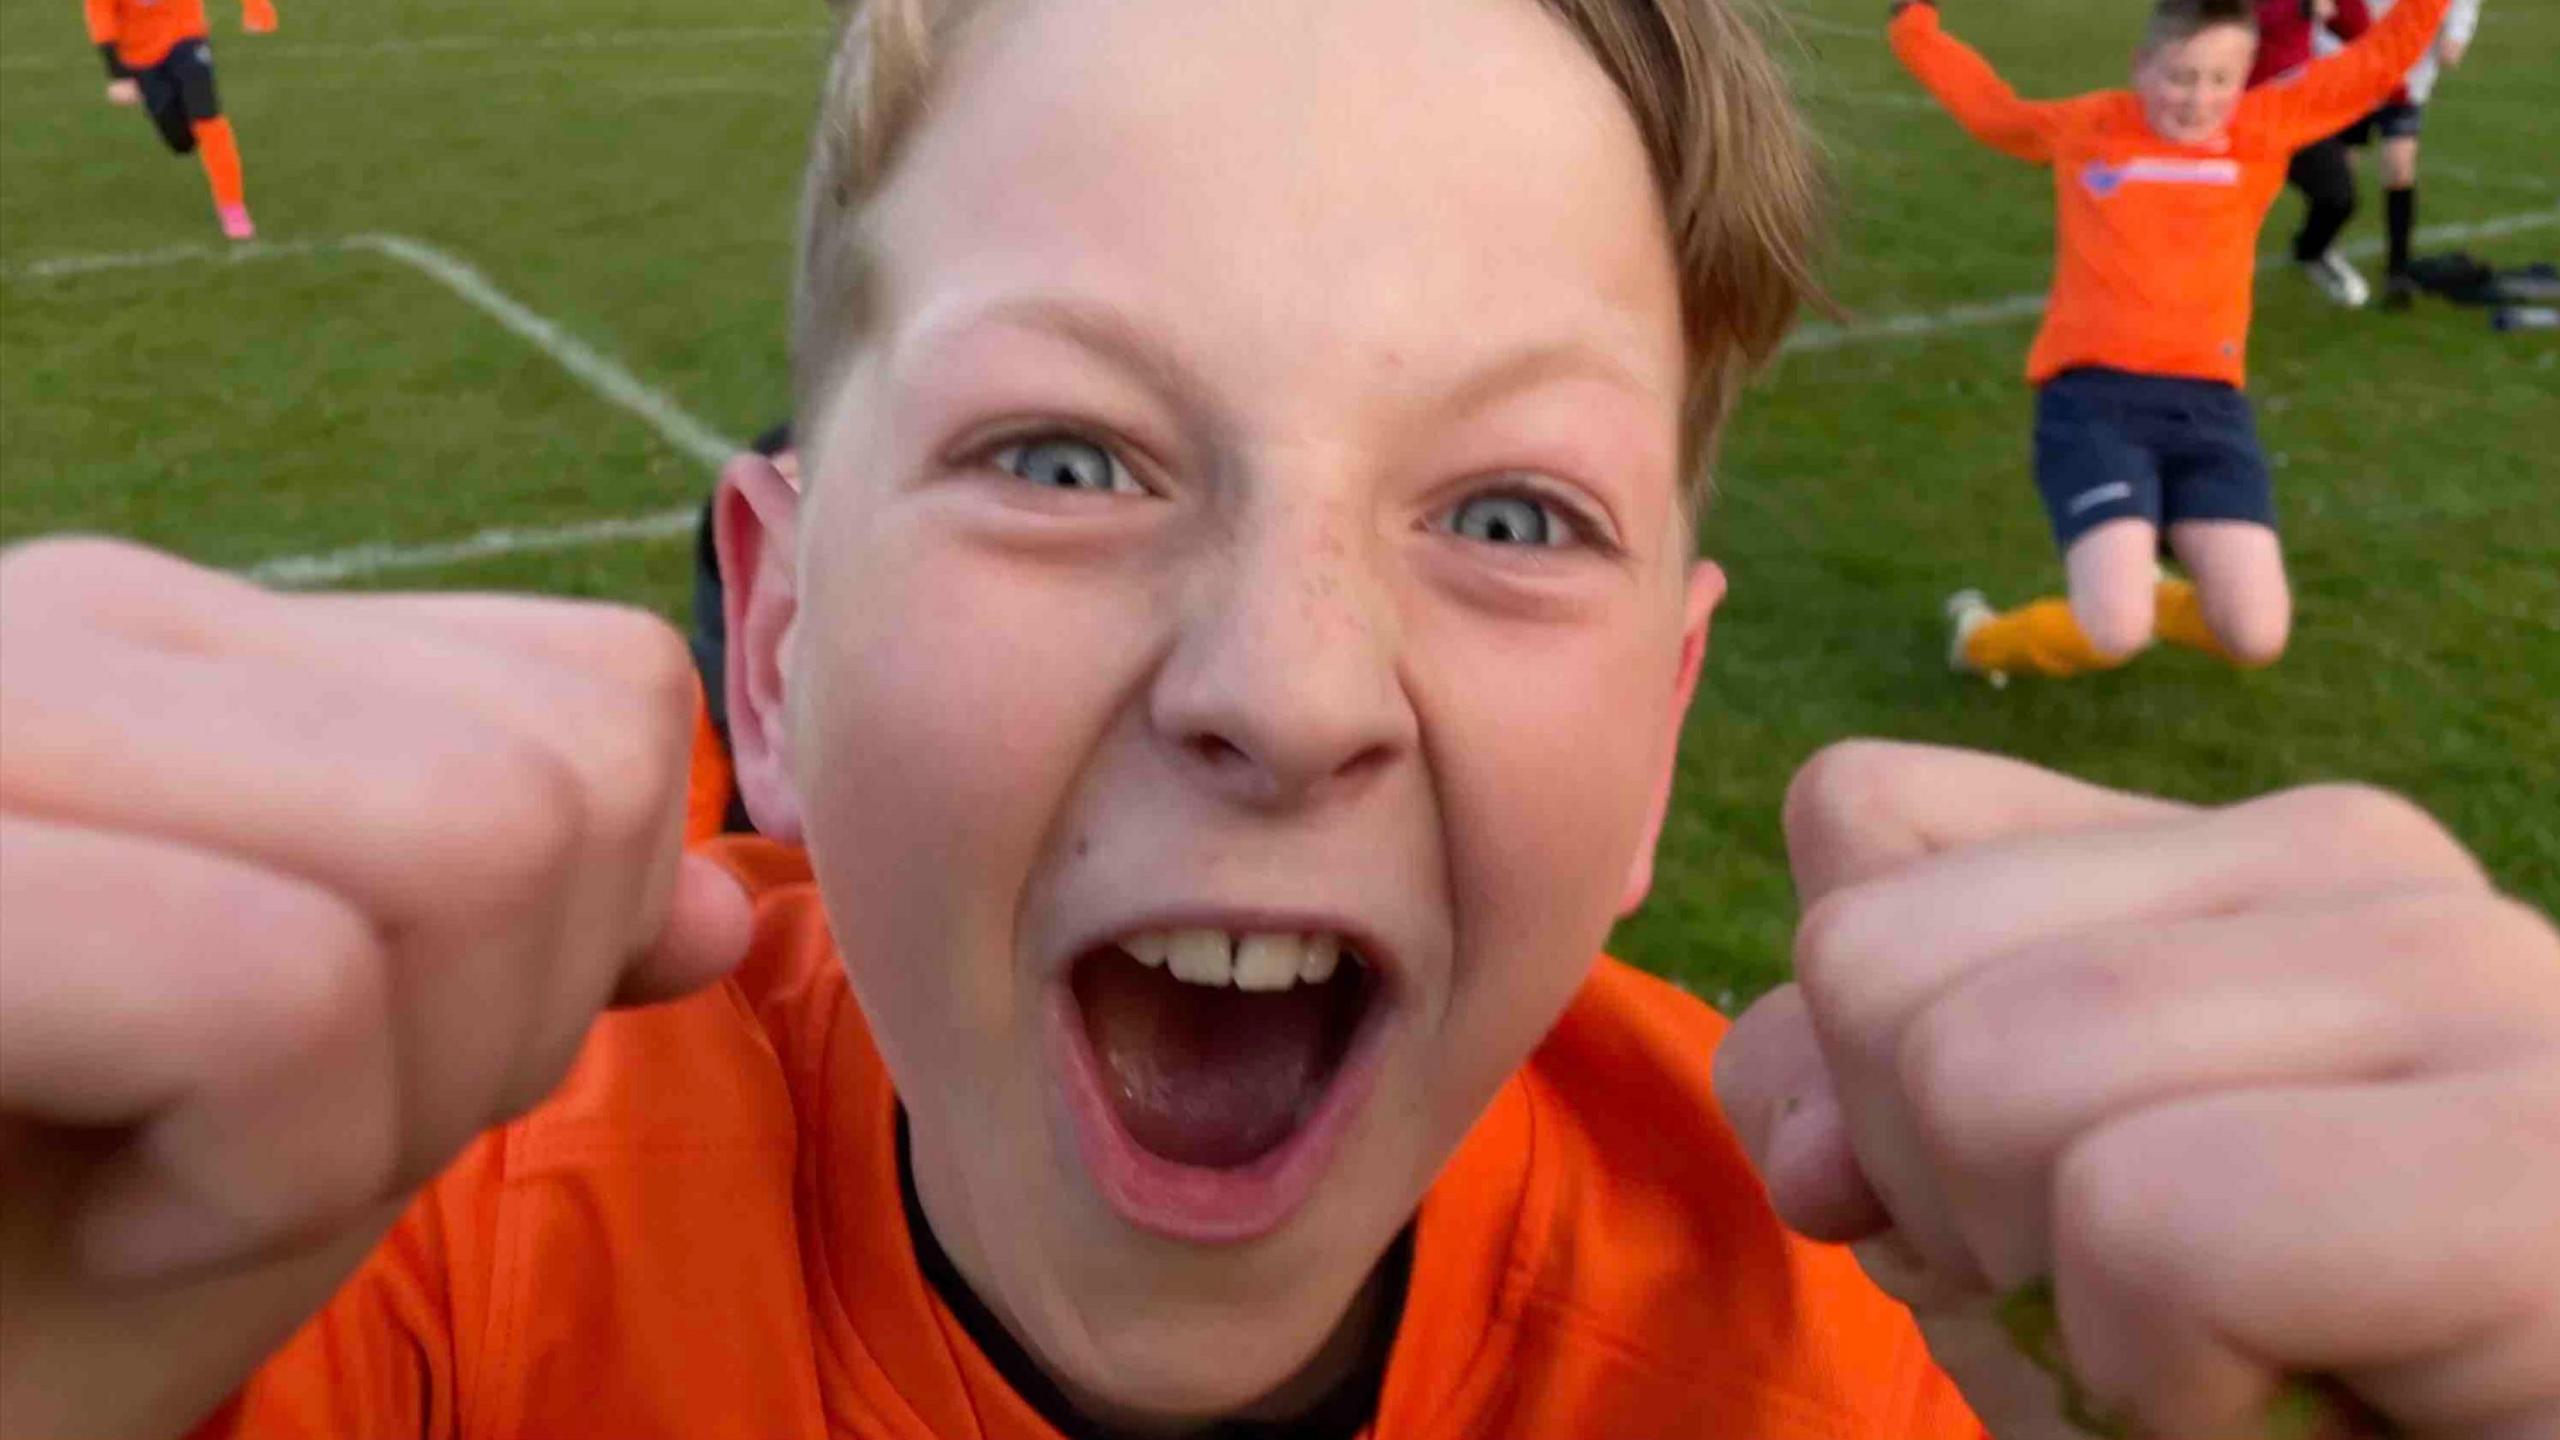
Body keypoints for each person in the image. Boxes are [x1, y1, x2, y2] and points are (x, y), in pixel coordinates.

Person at [5, 3, 2557, 1440]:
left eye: (1514, 512)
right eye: (1061, 452)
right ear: (762, 649)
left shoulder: (1840, 1362)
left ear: (1660, 723)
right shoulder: (352, 1241)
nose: (1284, 684)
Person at [1891, 0, 2453, 682]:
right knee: (2114, 630)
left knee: (2255, 634)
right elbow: (1991, 110)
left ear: (2246, 75)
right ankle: (1979, 641)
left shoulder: (2263, 127)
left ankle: (2148, 590)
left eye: (2221, 79)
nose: (2199, 99)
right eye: (2180, 77)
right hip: (2094, 403)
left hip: (2210, 413)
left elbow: (2379, 59)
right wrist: (1913, 24)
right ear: (2141, 67)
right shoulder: (2091, 125)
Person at [2324, 0, 2485, 308]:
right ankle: (2324, 247)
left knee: (2399, 165)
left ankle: (2398, 268)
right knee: (2343, 167)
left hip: (2408, 75)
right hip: (2356, 65)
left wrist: (2457, 34)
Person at [84, 0, 276, 240]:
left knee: (207, 117)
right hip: (138, 55)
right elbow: (100, 16)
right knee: (180, 142)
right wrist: (118, 75)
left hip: (186, 36)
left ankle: (232, 206)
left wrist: (256, 7)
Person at [2253, 0, 2376, 307]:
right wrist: (2298, 8)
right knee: (2231, 207)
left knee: (2338, 197)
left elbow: (2358, 27)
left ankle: (2312, 251)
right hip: (2240, 112)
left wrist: (2389, 76)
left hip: (2296, 112)